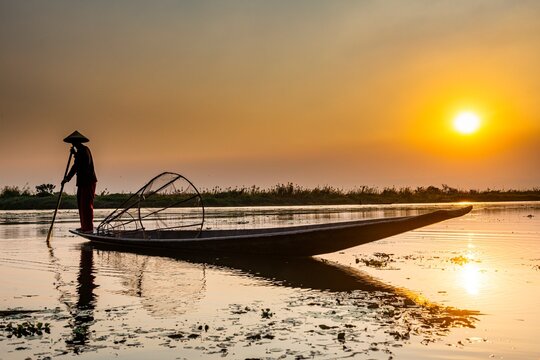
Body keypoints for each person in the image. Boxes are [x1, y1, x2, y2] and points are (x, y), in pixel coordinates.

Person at [62, 131, 98, 233]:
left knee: (86, 205)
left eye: (73, 142)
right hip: (82, 182)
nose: (72, 144)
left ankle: (88, 228)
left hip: (88, 181)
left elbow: (77, 166)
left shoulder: (83, 150)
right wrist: (75, 154)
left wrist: (67, 178)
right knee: (81, 204)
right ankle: (84, 226)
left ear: (77, 142)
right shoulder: (81, 151)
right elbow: (78, 163)